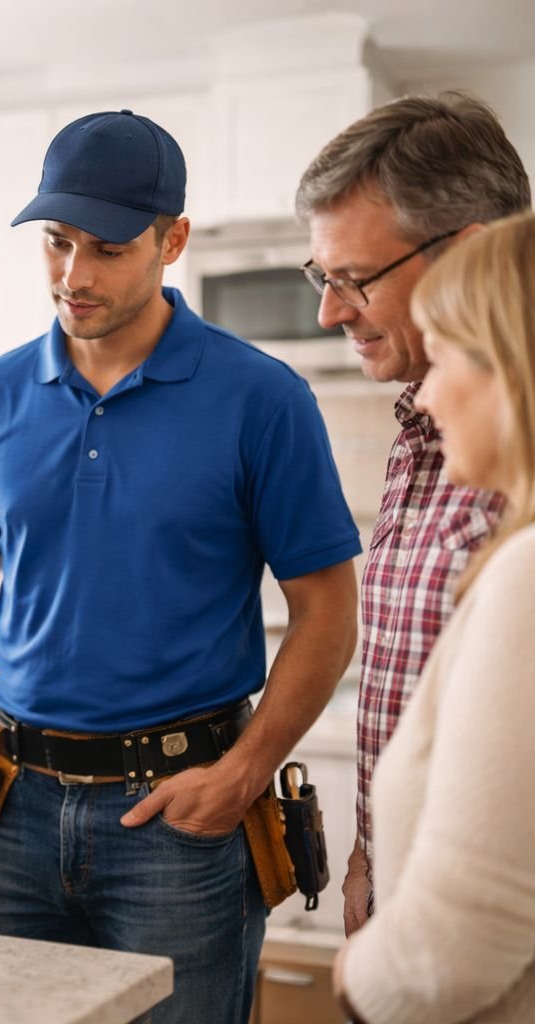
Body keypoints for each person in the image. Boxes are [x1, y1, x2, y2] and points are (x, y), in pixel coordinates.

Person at [0, 109, 361, 1024]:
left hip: (179, 820)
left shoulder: (262, 398)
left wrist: (244, 773)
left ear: (172, 241)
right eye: (57, 243)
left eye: (108, 248)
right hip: (9, 808)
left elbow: (327, 614)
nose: (75, 276)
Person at [294, 91, 531, 935]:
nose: (328, 311)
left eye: (353, 279)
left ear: (467, 255)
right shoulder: (419, 429)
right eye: (322, 278)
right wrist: (370, 855)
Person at [333, 211, 535, 1023]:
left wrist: (354, 980)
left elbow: (451, 949)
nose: (432, 393)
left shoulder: (525, 575)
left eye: (448, 357)